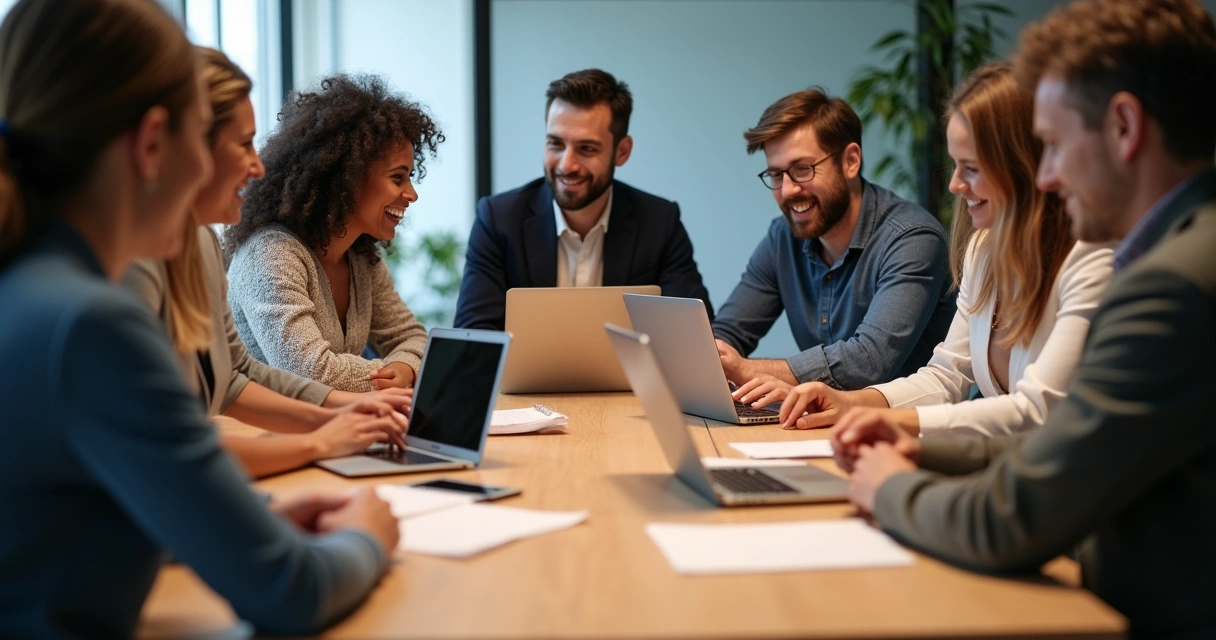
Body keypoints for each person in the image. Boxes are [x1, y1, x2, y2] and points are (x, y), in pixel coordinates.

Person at [0, 1, 398, 637]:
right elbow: (290, 594)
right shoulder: (91, 325)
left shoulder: (29, 289)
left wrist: (242, 523)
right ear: (155, 142)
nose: (258, 167)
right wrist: (366, 537)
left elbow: (59, 522)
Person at [830, 0, 1216, 635]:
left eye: (1056, 145)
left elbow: (1014, 518)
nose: (1047, 175)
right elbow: (1069, 446)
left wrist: (892, 486)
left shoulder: (1169, 289)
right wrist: (922, 450)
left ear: (1124, 127)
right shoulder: (1183, 255)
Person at [741, 65, 1114, 437]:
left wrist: (880, 418)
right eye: (955, 165)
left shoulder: (1092, 258)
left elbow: (1037, 410)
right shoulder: (984, 250)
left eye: (970, 168)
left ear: (1025, 165)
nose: (954, 185)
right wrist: (849, 403)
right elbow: (946, 376)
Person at [124, 48, 411, 478]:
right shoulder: (127, 269)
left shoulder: (200, 244)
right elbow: (166, 445)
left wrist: (346, 408)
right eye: (243, 145)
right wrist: (323, 437)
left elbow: (235, 374)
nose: (258, 167)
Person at [711, 89, 956, 390]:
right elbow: (728, 332)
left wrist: (748, 370)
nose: (787, 190)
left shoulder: (911, 238)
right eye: (776, 175)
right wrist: (712, 355)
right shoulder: (782, 239)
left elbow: (870, 361)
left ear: (851, 161)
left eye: (802, 169)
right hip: (821, 425)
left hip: (905, 429)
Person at [454, 68, 713, 330]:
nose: (567, 165)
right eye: (555, 144)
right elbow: (474, 339)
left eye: (586, 149)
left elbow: (692, 335)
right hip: (524, 374)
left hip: (627, 373)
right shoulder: (498, 220)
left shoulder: (659, 222)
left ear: (621, 152)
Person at [226, 74, 437, 393]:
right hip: (262, 437)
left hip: (329, 431)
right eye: (398, 178)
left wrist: (405, 366)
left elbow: (411, 336)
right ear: (349, 177)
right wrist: (391, 374)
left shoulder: (361, 257)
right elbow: (309, 372)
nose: (411, 194)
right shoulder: (271, 255)